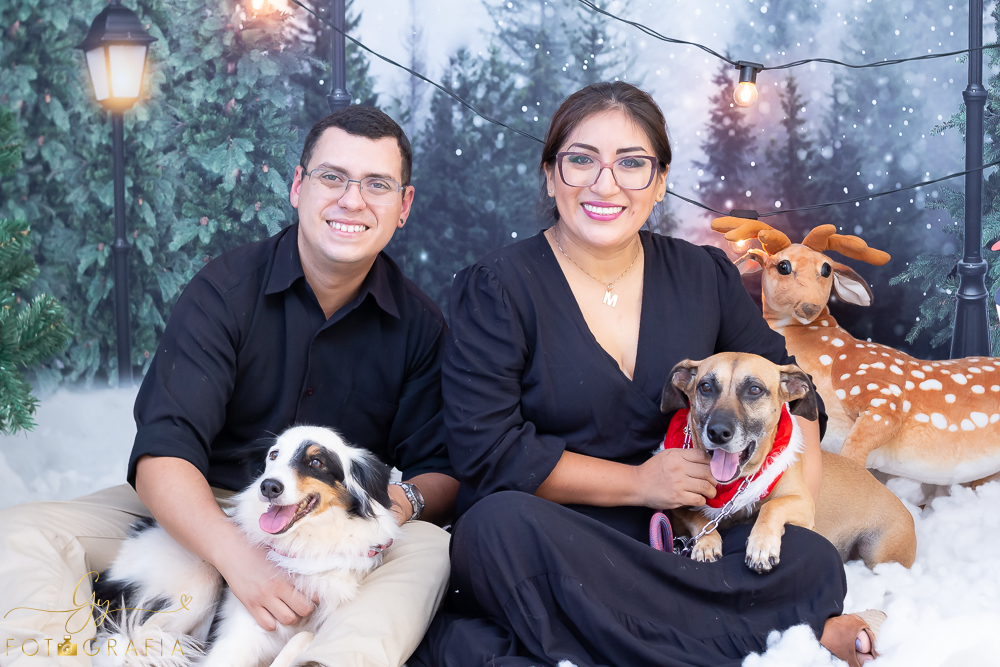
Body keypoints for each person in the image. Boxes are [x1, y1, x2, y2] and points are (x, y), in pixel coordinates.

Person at [411, 82, 881, 667]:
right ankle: (762, 635)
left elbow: (798, 398)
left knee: (809, 561)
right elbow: (489, 452)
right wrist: (641, 484)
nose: (605, 185)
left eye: (632, 164)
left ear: (659, 182)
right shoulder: (497, 288)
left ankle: (578, 647)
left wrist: (791, 507)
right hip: (561, 537)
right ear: (551, 174)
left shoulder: (702, 274)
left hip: (695, 535)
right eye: (581, 160)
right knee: (492, 532)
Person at [0, 106, 459, 667]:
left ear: (403, 206)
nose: (352, 200)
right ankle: (47, 657)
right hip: (202, 501)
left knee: (431, 547)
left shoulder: (420, 324)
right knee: (22, 530)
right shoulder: (223, 291)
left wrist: (396, 505)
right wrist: (240, 558)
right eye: (332, 177)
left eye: (377, 185)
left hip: (329, 526)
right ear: (297, 186)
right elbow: (162, 456)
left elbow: (441, 468)